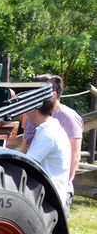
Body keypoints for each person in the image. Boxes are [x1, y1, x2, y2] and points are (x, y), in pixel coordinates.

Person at [21, 74, 83, 205]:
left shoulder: (51, 130)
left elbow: (75, 156)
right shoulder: (45, 126)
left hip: (51, 197)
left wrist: (65, 187)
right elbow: (24, 148)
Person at [24, 97, 71, 208]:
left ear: (34, 108)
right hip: (49, 198)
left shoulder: (48, 133)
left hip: (48, 202)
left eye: (27, 107)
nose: (25, 112)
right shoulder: (50, 129)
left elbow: (27, 164)